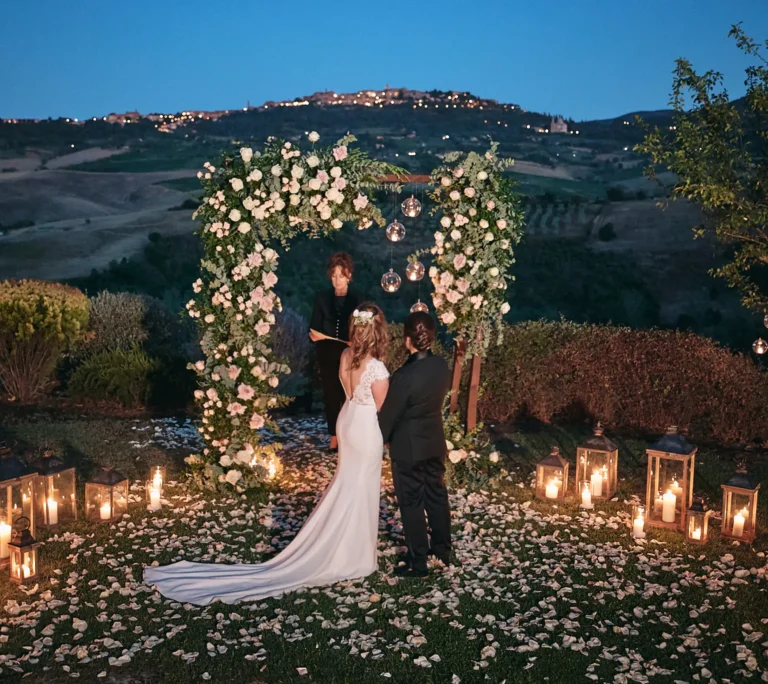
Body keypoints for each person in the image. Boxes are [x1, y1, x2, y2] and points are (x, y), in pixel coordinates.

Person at [143, 303, 390, 605]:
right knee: (360, 487)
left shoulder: (345, 356)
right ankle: (356, 556)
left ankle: (343, 545)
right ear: (378, 331)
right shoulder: (377, 368)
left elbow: (347, 392)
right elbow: (379, 407)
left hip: (346, 418)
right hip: (363, 426)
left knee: (346, 484)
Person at [378, 312, 452, 578]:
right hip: (433, 442)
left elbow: (386, 419)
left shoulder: (403, 376)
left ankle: (418, 562)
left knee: (411, 502)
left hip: (408, 449)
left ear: (407, 339)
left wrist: (378, 436)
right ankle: (443, 551)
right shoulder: (442, 366)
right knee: (436, 496)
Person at [309, 252, 362, 451]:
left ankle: (350, 436)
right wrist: (315, 335)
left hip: (350, 354)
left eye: (341, 276)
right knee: (331, 395)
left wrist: (355, 342)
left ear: (349, 276)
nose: (336, 280)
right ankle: (334, 437)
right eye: (333, 276)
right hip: (327, 354)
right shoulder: (321, 297)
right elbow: (314, 327)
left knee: (350, 394)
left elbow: (364, 327)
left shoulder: (358, 298)